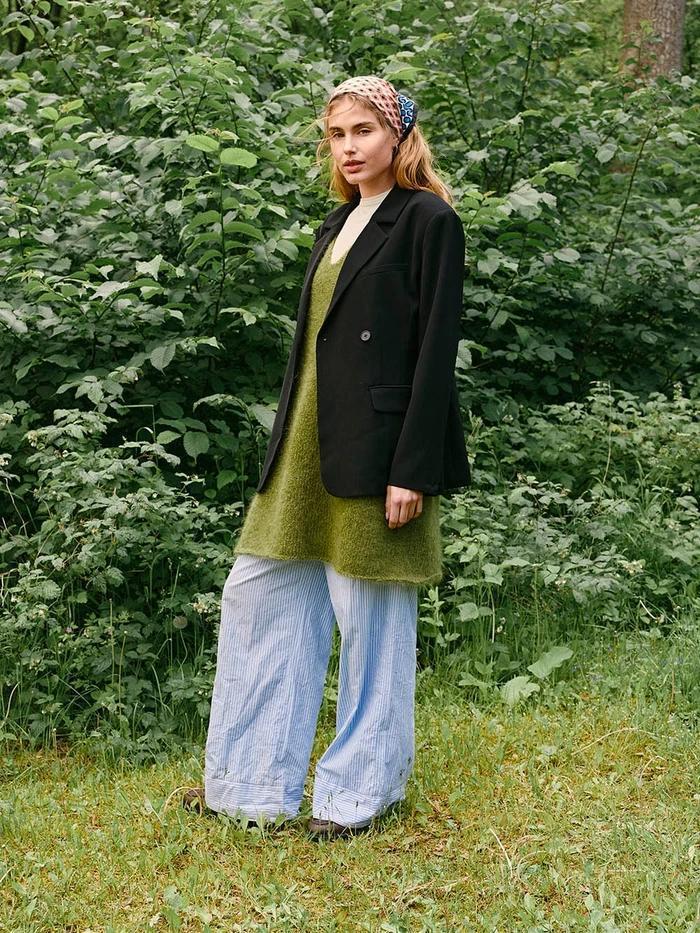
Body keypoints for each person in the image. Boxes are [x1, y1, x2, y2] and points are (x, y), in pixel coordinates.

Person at [181, 75, 471, 840]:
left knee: (372, 623)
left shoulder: (428, 219)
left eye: (363, 131)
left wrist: (413, 467)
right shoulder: (337, 223)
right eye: (337, 134)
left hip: (379, 453)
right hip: (306, 448)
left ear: (399, 135)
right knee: (259, 593)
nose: (348, 147)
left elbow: (436, 352)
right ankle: (249, 785)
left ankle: (359, 796)